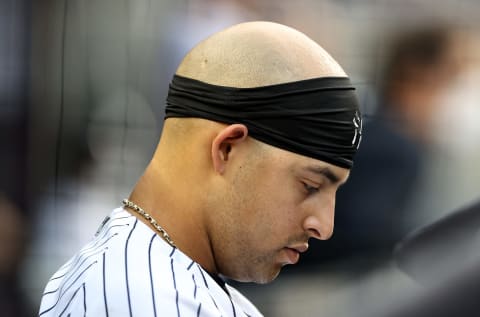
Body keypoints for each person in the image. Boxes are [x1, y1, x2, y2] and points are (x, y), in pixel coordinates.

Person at [39, 21, 362, 316]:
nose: (324, 225)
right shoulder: (138, 296)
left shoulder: (166, 283)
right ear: (227, 148)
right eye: (309, 185)